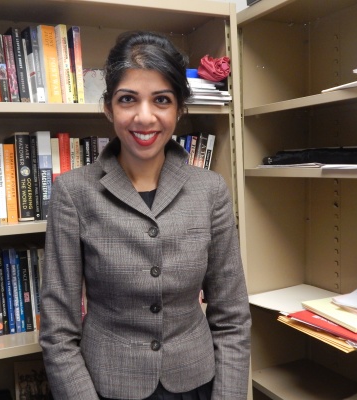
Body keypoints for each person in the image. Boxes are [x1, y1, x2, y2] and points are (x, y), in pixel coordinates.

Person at [40, 31, 251, 400]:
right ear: (108, 107)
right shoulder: (73, 193)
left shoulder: (211, 190)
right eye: (127, 100)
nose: (144, 116)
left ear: (180, 109)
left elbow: (232, 317)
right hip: (107, 386)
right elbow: (58, 330)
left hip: (196, 383)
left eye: (162, 100)